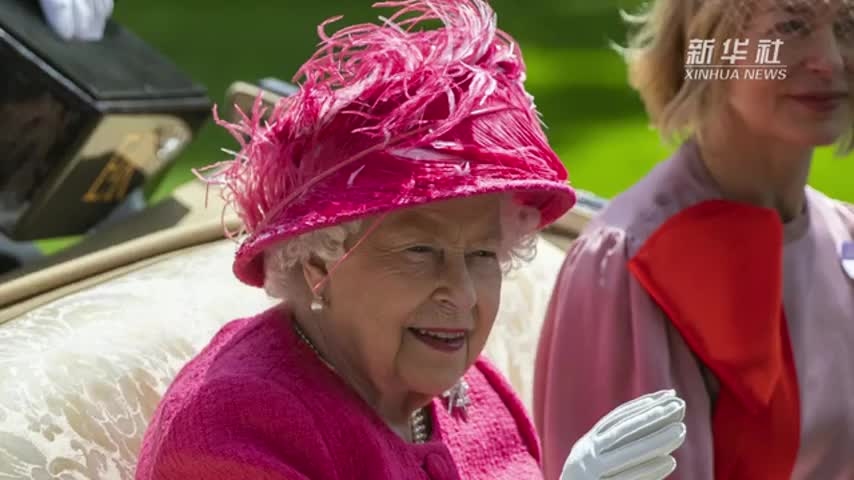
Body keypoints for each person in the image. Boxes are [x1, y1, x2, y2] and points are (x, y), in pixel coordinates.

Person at [134, 1, 686, 479]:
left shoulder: (471, 392)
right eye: (421, 251)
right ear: (319, 264)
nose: (462, 293)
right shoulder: (238, 422)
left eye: (482, 254)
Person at [534, 0, 854, 479]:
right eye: (791, 25)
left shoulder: (844, 234)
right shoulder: (631, 264)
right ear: (707, 44)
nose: (829, 59)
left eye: (848, 25)